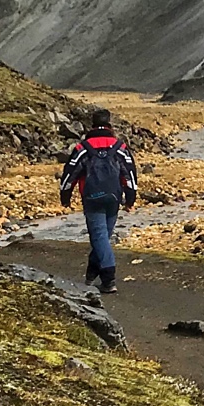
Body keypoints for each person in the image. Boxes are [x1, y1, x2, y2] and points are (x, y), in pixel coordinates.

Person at [59, 111, 137, 294]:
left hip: (92, 198)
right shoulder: (120, 146)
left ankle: (108, 280)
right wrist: (130, 198)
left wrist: (65, 197)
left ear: (92, 126)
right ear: (109, 125)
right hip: (114, 197)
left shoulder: (83, 147)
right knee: (103, 238)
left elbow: (70, 173)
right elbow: (130, 173)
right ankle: (91, 273)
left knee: (99, 237)